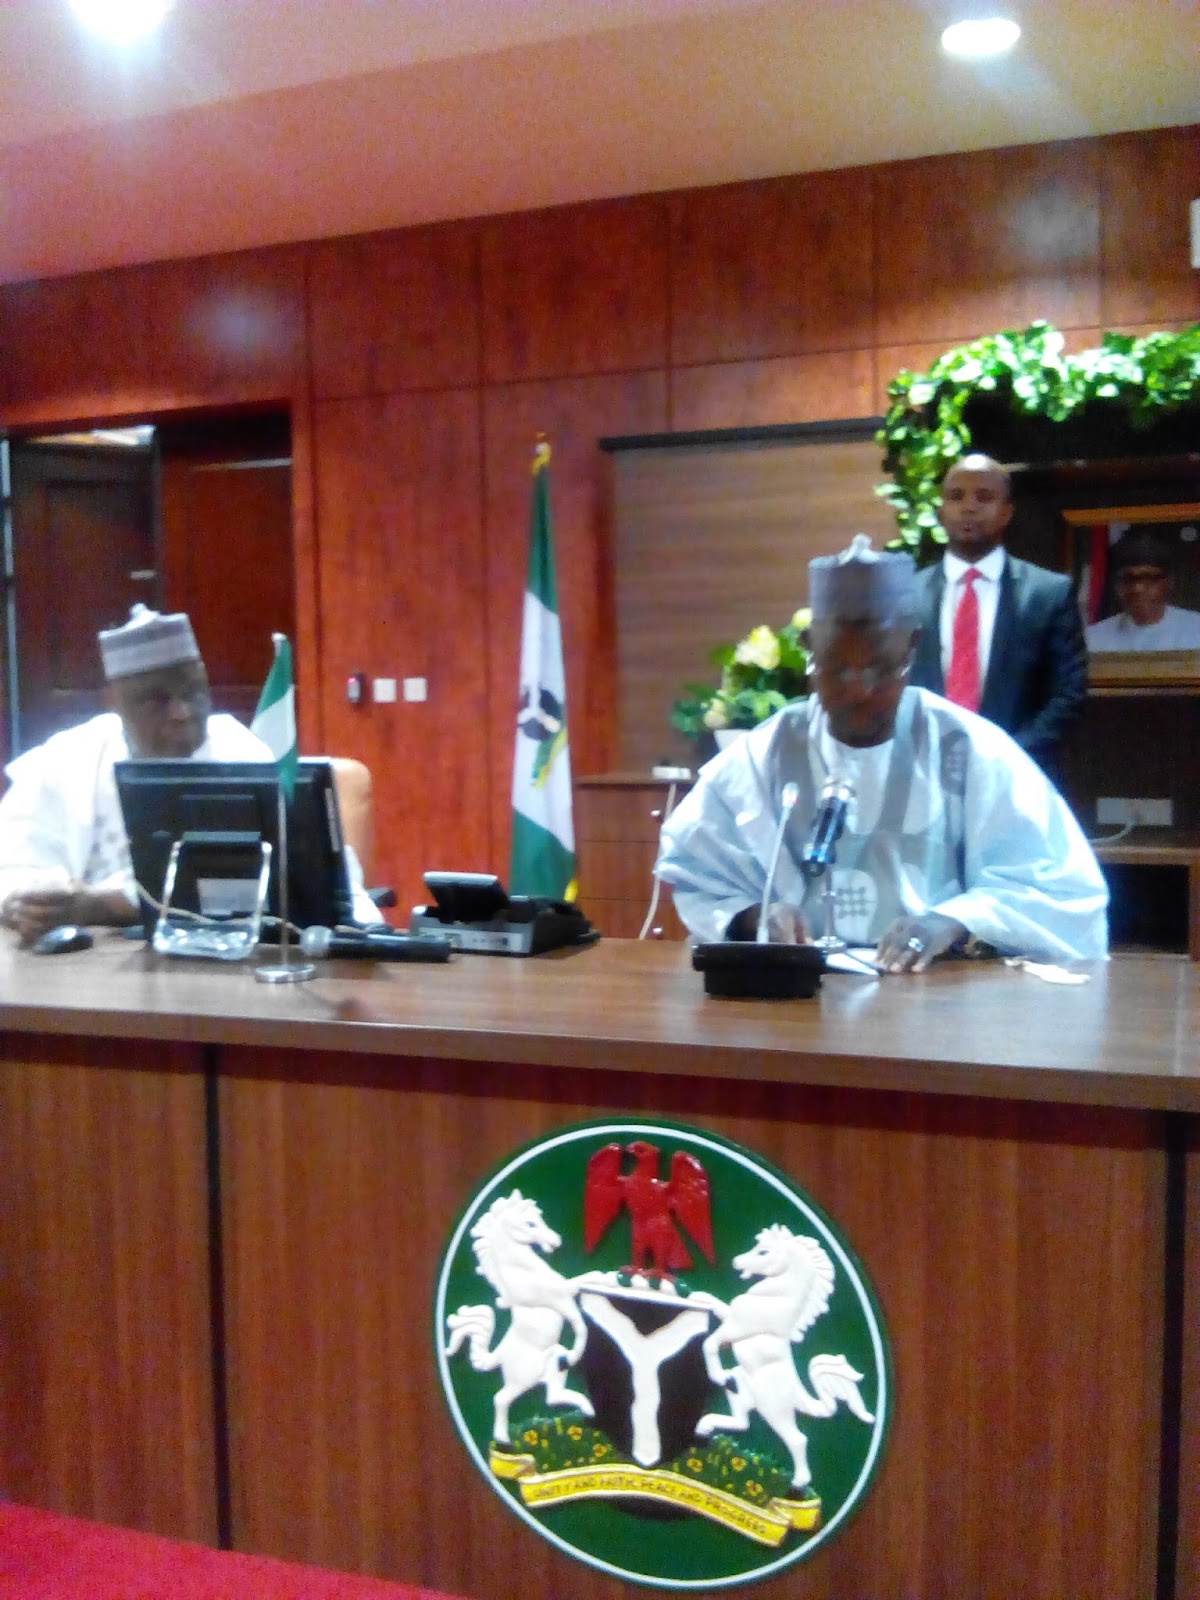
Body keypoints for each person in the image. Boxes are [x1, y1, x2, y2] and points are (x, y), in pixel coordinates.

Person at [655, 534, 1108, 973]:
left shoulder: (968, 748)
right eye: (836, 669)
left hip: (938, 995)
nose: (859, 690)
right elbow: (697, 872)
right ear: (809, 648)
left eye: (880, 668)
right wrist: (756, 917)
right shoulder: (766, 754)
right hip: (800, 1000)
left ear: (912, 647)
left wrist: (949, 923)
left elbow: (1053, 889)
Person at [0, 605, 377, 943]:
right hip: (90, 975)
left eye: (193, 693)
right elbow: (12, 869)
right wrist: (25, 903)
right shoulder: (65, 760)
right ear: (114, 702)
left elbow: (302, 882)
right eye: (157, 700)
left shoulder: (240, 752)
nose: (181, 713)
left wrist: (104, 905)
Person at [908, 453, 1087, 784]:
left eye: (984, 497)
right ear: (941, 512)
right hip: (923, 777)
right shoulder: (906, 594)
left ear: (1007, 512)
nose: (969, 507)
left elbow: (1068, 694)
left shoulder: (1048, 593)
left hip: (1018, 777)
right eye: (956, 496)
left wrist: (1004, 758)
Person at [1085, 529, 1200, 652]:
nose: (1137, 588)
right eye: (1128, 578)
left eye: (1149, 578)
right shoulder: (1094, 638)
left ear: (1170, 581)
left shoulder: (1195, 629)